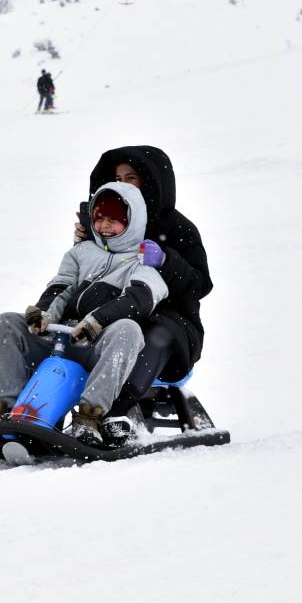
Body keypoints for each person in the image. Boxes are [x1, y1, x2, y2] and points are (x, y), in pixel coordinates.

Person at [0, 182, 168, 447]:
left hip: (97, 347)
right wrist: (44, 314)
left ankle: (90, 418)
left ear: (132, 221)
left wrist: (97, 321)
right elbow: (61, 286)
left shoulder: (142, 263)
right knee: (5, 322)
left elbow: (139, 299)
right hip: (60, 339)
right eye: (100, 218)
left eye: (114, 220)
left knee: (128, 329)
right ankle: (9, 410)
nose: (105, 225)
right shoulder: (80, 253)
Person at [74, 146, 213, 442]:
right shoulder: (108, 220)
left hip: (172, 321)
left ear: (151, 181)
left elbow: (201, 283)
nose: (123, 184)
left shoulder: (177, 228)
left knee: (151, 332)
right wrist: (85, 245)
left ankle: (115, 410)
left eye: (132, 178)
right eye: (117, 178)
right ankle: (34, 407)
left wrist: (166, 261)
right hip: (110, 310)